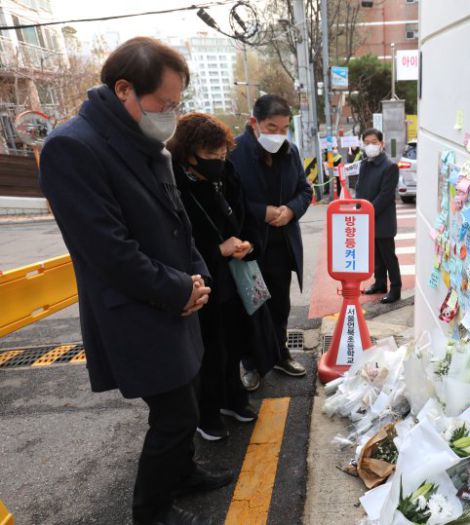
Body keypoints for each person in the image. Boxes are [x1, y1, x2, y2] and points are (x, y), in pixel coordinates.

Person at [39, 37, 230, 525]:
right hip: (138, 307)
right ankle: (151, 511)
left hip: (177, 297)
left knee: (187, 394)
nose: (170, 113)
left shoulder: (149, 145)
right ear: (124, 89)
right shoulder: (72, 147)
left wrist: (198, 277)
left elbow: (179, 223)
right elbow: (107, 251)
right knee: (174, 416)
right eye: (164, 104)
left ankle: (182, 473)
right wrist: (178, 289)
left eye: (176, 104)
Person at [168, 113, 283, 441]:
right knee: (209, 349)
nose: (219, 162)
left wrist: (248, 243)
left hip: (237, 273)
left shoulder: (226, 173)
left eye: (222, 155)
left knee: (238, 338)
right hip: (203, 279)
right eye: (210, 157)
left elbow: (244, 212)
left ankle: (235, 399)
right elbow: (175, 238)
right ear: (188, 153)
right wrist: (217, 249)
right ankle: (207, 413)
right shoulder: (174, 181)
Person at [230, 95, 311, 378]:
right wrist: (260, 211)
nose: (278, 135)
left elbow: (305, 190)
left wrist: (291, 210)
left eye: (284, 128)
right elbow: (229, 200)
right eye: (271, 127)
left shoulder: (291, 152)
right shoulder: (233, 153)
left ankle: (280, 353)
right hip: (249, 247)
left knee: (279, 305)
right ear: (255, 123)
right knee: (251, 306)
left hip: (281, 245)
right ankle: (251, 363)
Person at [355, 128, 402, 304]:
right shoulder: (364, 163)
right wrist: (359, 207)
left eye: (374, 142)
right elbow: (360, 188)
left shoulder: (389, 166)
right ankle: (380, 283)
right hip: (367, 217)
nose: (370, 146)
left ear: (381, 144)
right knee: (375, 254)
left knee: (388, 255)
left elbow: (385, 195)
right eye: (366, 143)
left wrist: (366, 210)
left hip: (383, 219)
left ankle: (395, 288)